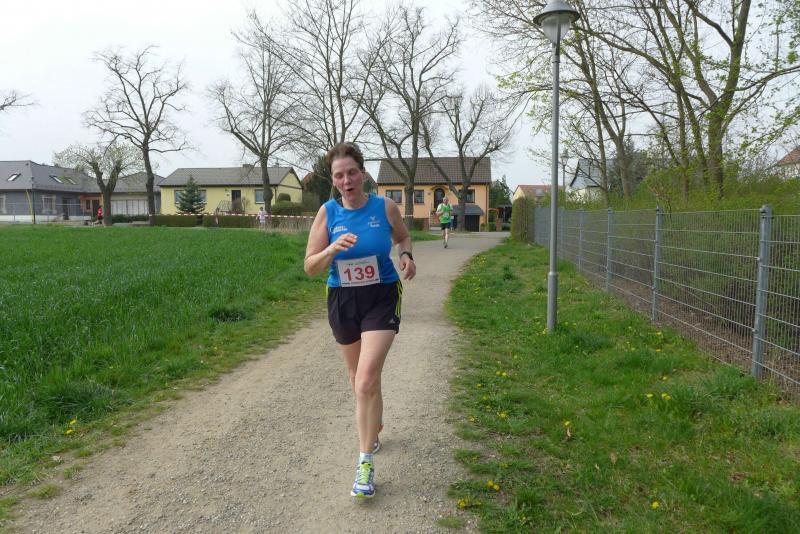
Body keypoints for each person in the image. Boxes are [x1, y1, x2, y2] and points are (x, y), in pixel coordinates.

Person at [304, 142, 416, 499]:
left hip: (381, 295)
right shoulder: (327, 213)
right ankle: (374, 422)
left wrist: (407, 255)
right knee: (358, 379)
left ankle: (364, 463)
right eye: (339, 175)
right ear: (333, 180)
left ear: (363, 173)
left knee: (366, 379)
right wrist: (331, 249)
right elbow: (310, 267)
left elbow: (402, 236)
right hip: (343, 298)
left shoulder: (384, 207)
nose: (347, 180)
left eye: (352, 172)